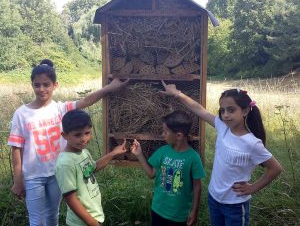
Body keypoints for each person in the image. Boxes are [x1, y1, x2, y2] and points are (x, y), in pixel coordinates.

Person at [7, 59, 128, 226]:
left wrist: (110, 88)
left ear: (55, 85)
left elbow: (86, 101)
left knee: (53, 215)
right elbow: (16, 149)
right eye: (37, 85)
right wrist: (18, 179)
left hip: (56, 173)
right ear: (32, 85)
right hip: (33, 176)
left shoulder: (60, 108)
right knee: (37, 220)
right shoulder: (21, 114)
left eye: (46, 84)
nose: (41, 89)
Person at [161, 81, 283, 226]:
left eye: (231, 110)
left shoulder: (252, 143)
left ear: (244, 111)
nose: (225, 115)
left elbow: (276, 168)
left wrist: (252, 188)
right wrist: (177, 94)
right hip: (214, 199)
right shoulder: (223, 127)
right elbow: (200, 110)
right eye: (222, 110)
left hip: (235, 205)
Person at [131, 110, 205, 226]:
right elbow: (151, 174)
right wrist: (139, 154)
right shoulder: (163, 151)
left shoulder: (193, 158)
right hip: (158, 210)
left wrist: (194, 211)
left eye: (165, 132)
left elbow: (197, 186)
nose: (162, 134)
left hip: (179, 215)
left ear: (179, 135)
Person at [55, 109, 127, 226]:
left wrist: (113, 153)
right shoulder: (65, 164)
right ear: (65, 136)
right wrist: (91, 222)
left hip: (93, 216)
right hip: (82, 222)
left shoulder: (83, 151)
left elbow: (93, 168)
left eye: (87, 133)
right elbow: (71, 199)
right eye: (77, 135)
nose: (84, 139)